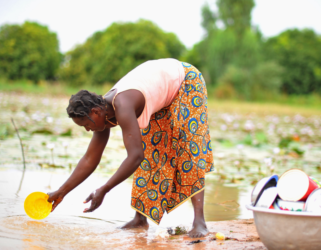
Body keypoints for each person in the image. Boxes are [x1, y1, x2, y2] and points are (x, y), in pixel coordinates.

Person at [47, 58, 214, 237]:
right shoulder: (103, 113)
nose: (88, 129)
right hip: (161, 87)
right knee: (151, 150)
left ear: (95, 112)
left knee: (188, 147)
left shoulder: (122, 105)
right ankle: (140, 219)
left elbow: (135, 156)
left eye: (86, 125)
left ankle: (199, 222)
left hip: (185, 81)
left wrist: (104, 189)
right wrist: (61, 192)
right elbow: (89, 159)